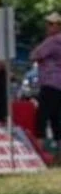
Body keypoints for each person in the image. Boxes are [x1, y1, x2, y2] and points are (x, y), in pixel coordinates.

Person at [30, 11, 61, 146]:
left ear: (57, 26)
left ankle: (40, 149)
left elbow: (34, 55)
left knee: (42, 117)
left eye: (50, 24)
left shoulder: (52, 41)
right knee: (57, 118)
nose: (47, 27)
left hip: (50, 82)